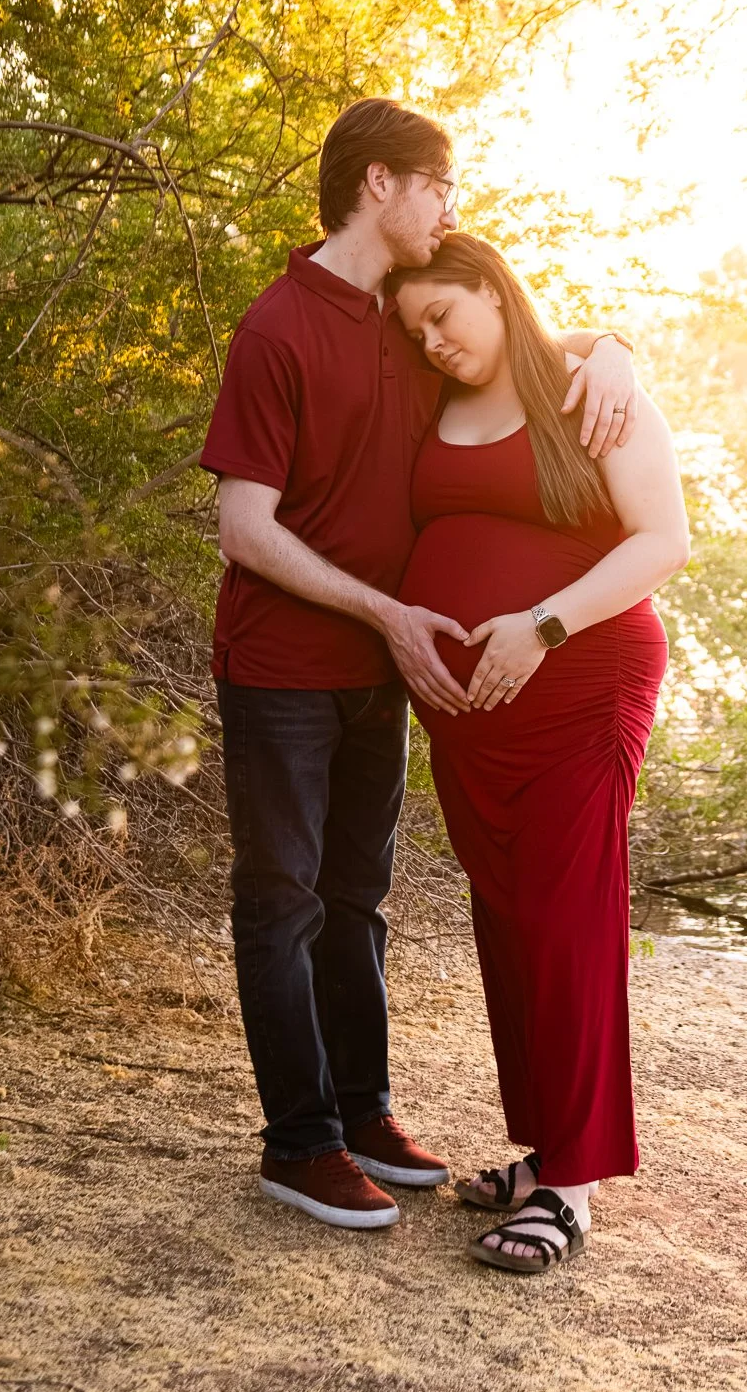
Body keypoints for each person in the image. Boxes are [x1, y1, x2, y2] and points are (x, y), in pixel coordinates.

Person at [199, 100, 637, 1232]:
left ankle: (364, 1112)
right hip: (286, 667)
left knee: (358, 897)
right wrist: (386, 611)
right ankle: (300, 1144)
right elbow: (242, 525)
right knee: (284, 900)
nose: (449, 207)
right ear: (381, 182)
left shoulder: (407, 317)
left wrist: (614, 349)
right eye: (438, 184)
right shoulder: (275, 330)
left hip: (388, 676)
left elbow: (518, 340)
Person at [390, 234, 690, 1273]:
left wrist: (542, 624)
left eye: (442, 315)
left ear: (491, 287)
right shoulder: (436, 398)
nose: (432, 342)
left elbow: (663, 540)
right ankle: (545, 1150)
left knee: (568, 922)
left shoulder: (590, 392)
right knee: (511, 920)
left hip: (581, 683)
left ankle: (572, 1189)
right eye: (415, 330)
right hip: (476, 715)